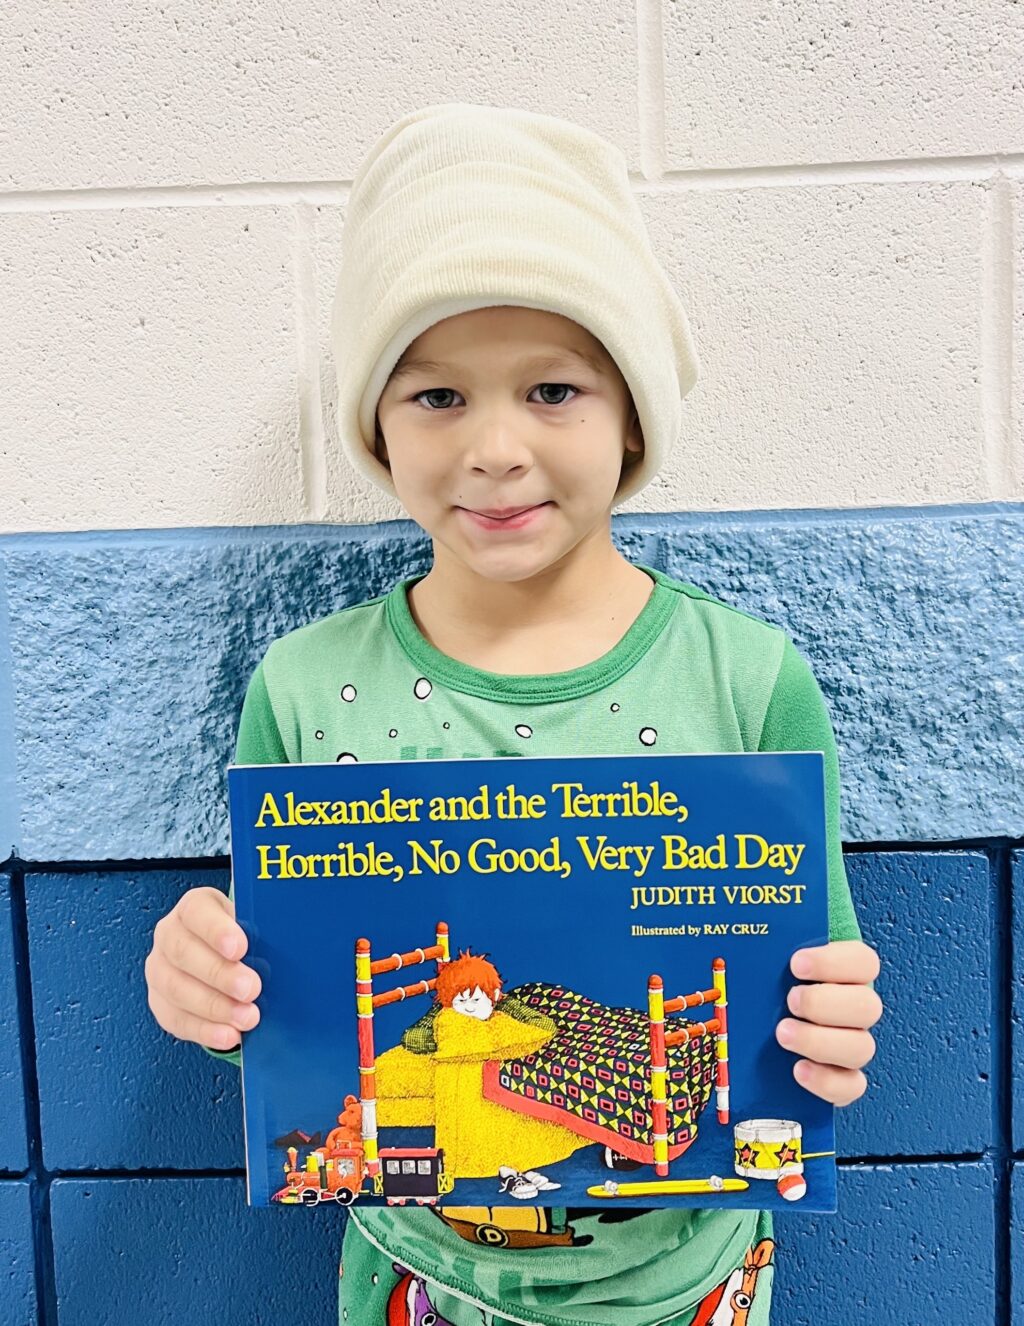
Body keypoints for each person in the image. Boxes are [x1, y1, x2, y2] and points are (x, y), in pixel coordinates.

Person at [145, 102, 882, 1326]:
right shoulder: (303, 685)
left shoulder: (746, 677)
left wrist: (834, 1028)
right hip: (416, 1277)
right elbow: (286, 1024)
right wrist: (209, 998)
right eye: (435, 396)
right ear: (376, 426)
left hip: (692, 1284)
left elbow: (815, 995)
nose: (493, 449)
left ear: (632, 417)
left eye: (552, 389)